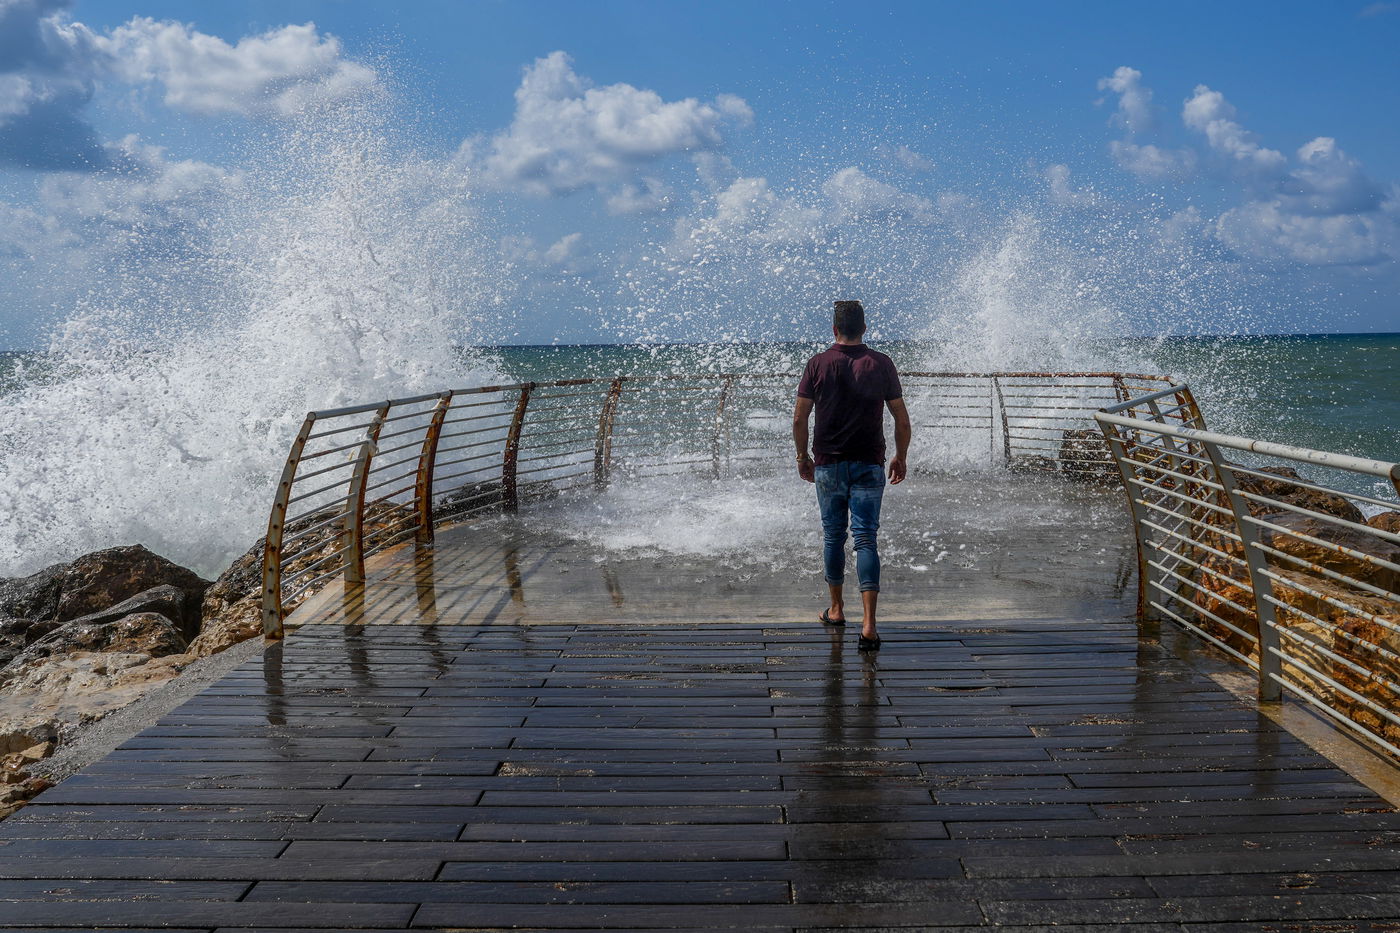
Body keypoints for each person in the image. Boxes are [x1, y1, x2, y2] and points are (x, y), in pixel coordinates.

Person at [792, 300, 911, 651]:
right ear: (864, 328)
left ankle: (837, 609)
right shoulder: (881, 363)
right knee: (866, 539)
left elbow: (800, 419)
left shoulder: (817, 363)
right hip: (869, 463)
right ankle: (870, 625)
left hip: (828, 463)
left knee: (833, 536)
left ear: (834, 329)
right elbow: (901, 419)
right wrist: (900, 456)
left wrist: (802, 457)